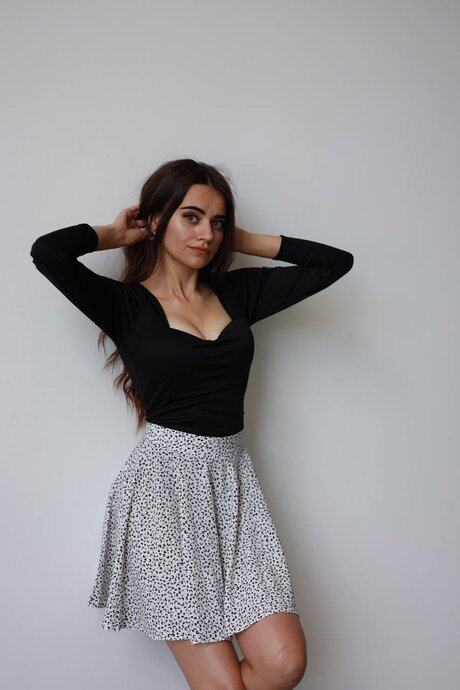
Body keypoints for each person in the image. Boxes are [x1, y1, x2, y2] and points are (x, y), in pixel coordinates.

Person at [30, 158, 353, 690]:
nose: (206, 234)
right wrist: (116, 232)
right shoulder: (125, 305)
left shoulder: (237, 295)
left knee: (282, 663)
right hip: (164, 496)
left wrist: (238, 239)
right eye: (192, 217)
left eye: (217, 222)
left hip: (233, 487)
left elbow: (335, 263)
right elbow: (48, 252)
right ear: (157, 220)